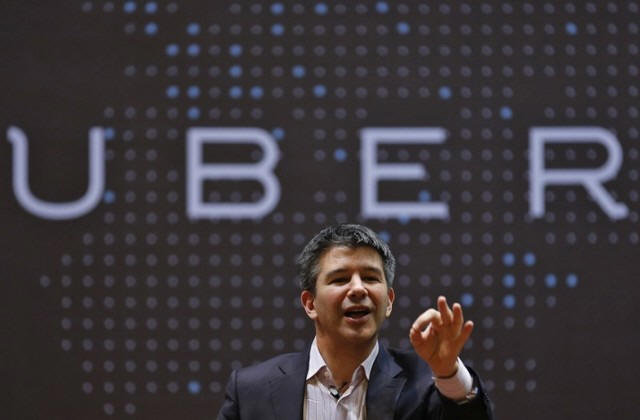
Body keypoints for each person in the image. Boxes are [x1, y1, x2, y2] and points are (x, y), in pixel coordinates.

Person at [217, 224, 494, 419]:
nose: (359, 289)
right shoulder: (252, 390)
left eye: (371, 278)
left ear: (389, 301)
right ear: (310, 304)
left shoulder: (425, 383)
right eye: (340, 279)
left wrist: (447, 371)